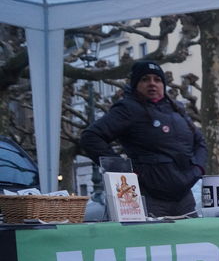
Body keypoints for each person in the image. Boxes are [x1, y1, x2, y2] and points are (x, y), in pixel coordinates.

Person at [81, 60, 206, 217]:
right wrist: (124, 171)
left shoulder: (177, 109)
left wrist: (198, 169)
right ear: (135, 84)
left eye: (157, 79)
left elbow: (200, 142)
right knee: (156, 241)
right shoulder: (128, 108)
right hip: (150, 197)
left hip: (185, 197)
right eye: (145, 79)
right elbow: (91, 137)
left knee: (192, 241)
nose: (152, 84)